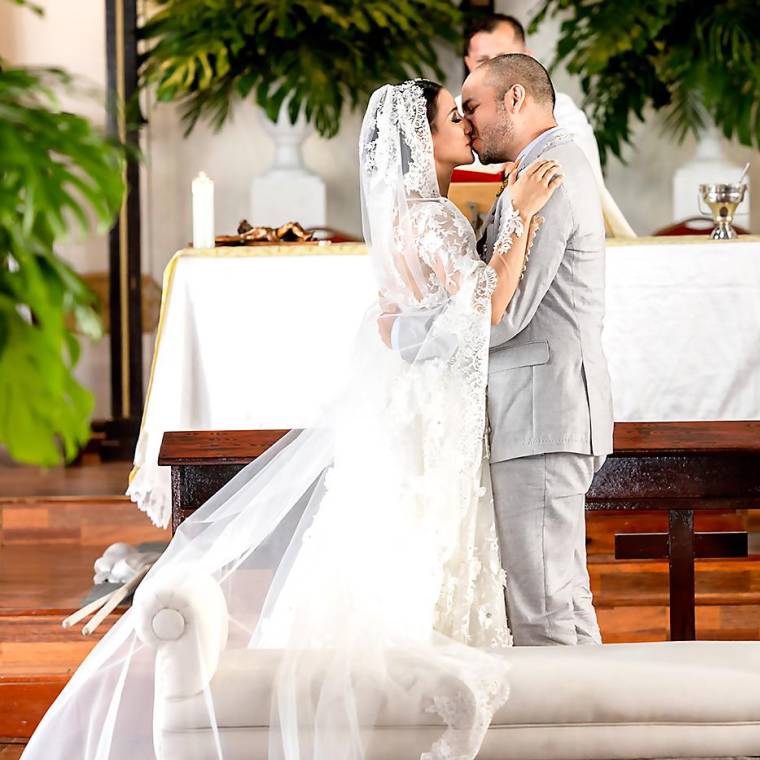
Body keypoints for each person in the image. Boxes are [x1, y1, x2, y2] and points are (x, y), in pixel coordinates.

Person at [21, 79, 565, 760]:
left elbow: (409, 314)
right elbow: (483, 308)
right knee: (430, 532)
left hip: (412, 400)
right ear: (422, 138)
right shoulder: (433, 214)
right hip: (432, 412)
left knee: (400, 532)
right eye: (451, 118)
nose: (463, 126)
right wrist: (516, 217)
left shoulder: (406, 212)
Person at [462, 54, 615, 646]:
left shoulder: (547, 172)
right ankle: (597, 735)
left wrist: (434, 331)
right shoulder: (543, 166)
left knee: (541, 611)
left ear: (516, 100)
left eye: (472, 106)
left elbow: (508, 314)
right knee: (564, 601)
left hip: (541, 413)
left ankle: (565, 738)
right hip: (543, 411)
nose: (464, 120)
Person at [457, 13, 637, 237]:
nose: (495, 71)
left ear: (527, 57)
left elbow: (573, 161)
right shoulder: (455, 114)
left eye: (504, 58)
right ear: (468, 63)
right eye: (483, 61)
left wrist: (523, 166)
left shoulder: (559, 109)